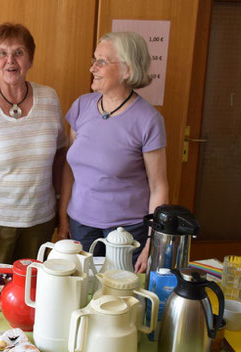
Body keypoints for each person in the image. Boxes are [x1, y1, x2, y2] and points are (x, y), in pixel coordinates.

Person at [58, 32, 168, 273]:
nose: (92, 68)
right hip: (81, 225)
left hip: (126, 232)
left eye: (102, 62)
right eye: (94, 60)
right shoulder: (81, 106)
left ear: (127, 70)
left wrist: (152, 242)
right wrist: (63, 216)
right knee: (82, 292)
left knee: (120, 299)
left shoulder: (148, 120)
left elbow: (159, 187)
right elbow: (69, 167)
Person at [0, 23, 68, 264]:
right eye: (3, 53)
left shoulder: (50, 99)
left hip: (40, 221)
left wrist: (62, 211)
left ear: (30, 59)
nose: (11, 61)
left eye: (19, 52)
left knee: (33, 293)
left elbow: (61, 157)